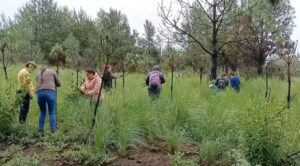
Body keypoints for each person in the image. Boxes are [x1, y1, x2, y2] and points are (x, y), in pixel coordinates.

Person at [36, 66, 61, 134]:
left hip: (39, 93)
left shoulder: (38, 74)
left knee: (42, 112)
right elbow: (59, 84)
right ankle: (53, 130)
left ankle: (40, 129)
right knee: (52, 112)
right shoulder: (52, 71)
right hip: (50, 92)